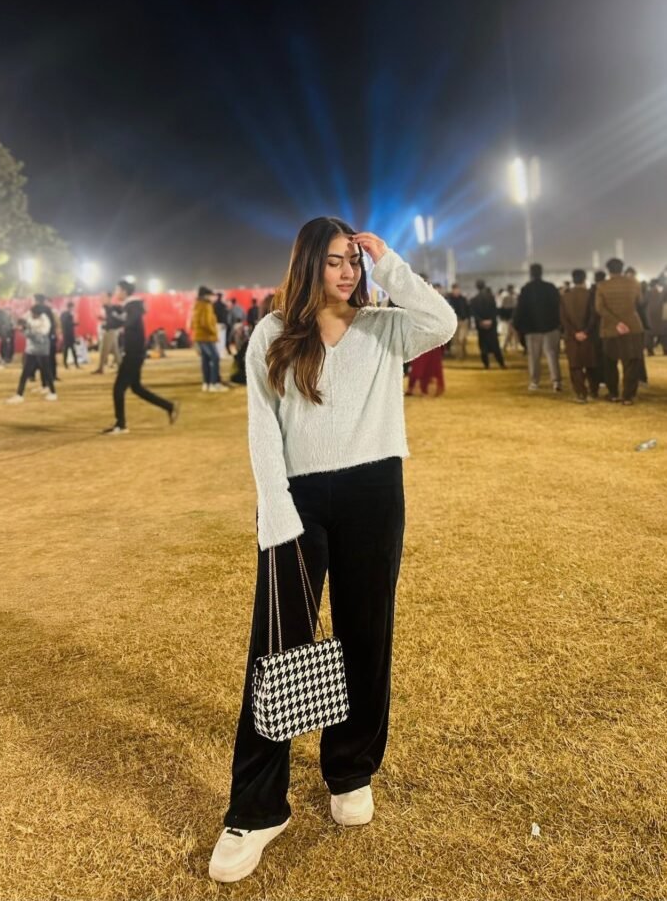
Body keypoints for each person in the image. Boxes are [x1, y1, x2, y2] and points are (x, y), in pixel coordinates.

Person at [209, 217, 457, 884]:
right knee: (277, 648)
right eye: (335, 261)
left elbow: (442, 323)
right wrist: (276, 510)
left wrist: (391, 261)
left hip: (375, 491)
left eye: (354, 261)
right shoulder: (273, 333)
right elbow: (262, 429)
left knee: (365, 631)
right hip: (298, 498)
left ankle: (350, 770)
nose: (348, 272)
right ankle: (257, 808)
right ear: (308, 265)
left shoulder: (385, 326)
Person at [102, 280, 180, 435]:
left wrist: (110, 310)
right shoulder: (130, 306)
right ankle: (169, 406)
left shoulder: (133, 306)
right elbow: (115, 323)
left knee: (118, 388)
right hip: (134, 353)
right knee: (137, 388)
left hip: (134, 353)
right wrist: (108, 310)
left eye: (117, 290)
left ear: (124, 291)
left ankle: (121, 425)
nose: (116, 293)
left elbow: (127, 322)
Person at [595, 257, 644, 405]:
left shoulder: (602, 286)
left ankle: (613, 393)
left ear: (608, 270)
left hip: (610, 329)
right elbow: (640, 302)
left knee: (610, 362)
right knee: (631, 362)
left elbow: (599, 308)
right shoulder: (634, 283)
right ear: (622, 268)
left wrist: (616, 322)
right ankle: (628, 396)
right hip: (632, 327)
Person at [513, 263, 562, 392]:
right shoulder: (550, 287)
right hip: (551, 326)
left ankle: (534, 382)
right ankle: (556, 381)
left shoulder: (526, 289)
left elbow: (521, 309)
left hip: (532, 328)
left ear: (531, 273)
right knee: (552, 355)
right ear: (541, 272)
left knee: (534, 357)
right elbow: (558, 306)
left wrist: (517, 325)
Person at [559, 269, 599, 403]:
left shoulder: (565, 297)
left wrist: (574, 332)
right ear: (584, 279)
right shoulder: (591, 295)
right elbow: (593, 316)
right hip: (589, 335)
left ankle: (581, 393)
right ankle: (593, 391)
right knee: (591, 364)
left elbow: (563, 318)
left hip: (572, 336)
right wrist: (586, 331)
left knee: (575, 365)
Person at [6, 305, 57, 403]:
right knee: (25, 373)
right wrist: (21, 324)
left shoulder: (45, 323)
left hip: (42, 350)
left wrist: (25, 330)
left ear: (39, 314)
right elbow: (23, 322)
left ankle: (53, 393)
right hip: (30, 350)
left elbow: (38, 337)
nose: (31, 315)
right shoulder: (30, 315)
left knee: (47, 371)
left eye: (34, 314)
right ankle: (19, 395)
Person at [191, 285, 228, 393]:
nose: (212, 297)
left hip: (199, 336)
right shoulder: (206, 305)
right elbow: (206, 322)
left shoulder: (197, 305)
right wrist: (214, 331)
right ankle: (214, 383)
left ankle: (206, 383)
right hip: (207, 336)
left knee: (205, 359)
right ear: (205, 296)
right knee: (215, 358)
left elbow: (193, 322)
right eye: (210, 295)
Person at [470, 281, 506, 370]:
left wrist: (481, 321)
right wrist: (490, 320)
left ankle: (486, 365)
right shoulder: (491, 297)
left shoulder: (474, 299)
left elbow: (473, 313)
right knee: (495, 345)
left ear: (477, 287)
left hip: (481, 326)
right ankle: (501, 364)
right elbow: (494, 311)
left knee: (483, 346)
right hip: (491, 326)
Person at [93, 292, 123, 374]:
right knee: (116, 351)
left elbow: (119, 318)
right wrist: (103, 320)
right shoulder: (108, 308)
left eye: (104, 297)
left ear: (109, 298)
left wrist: (117, 325)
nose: (102, 299)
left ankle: (100, 368)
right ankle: (121, 368)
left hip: (111, 331)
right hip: (111, 330)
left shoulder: (114, 308)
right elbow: (110, 319)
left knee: (104, 349)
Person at [446, 283, 470, 359]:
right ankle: (459, 355)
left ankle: (462, 352)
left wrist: (468, 319)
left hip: (463, 321)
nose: (457, 291)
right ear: (452, 290)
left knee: (461, 339)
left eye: (458, 289)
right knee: (455, 340)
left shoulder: (463, 299)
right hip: (454, 322)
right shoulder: (449, 300)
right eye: (455, 289)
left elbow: (468, 309)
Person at [60, 301, 79, 368]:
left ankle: (71, 363)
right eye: (72, 307)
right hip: (68, 334)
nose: (73, 309)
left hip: (67, 334)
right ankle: (71, 363)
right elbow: (67, 323)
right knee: (69, 349)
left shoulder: (64, 314)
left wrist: (74, 324)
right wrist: (74, 324)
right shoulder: (67, 314)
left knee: (69, 349)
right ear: (70, 307)